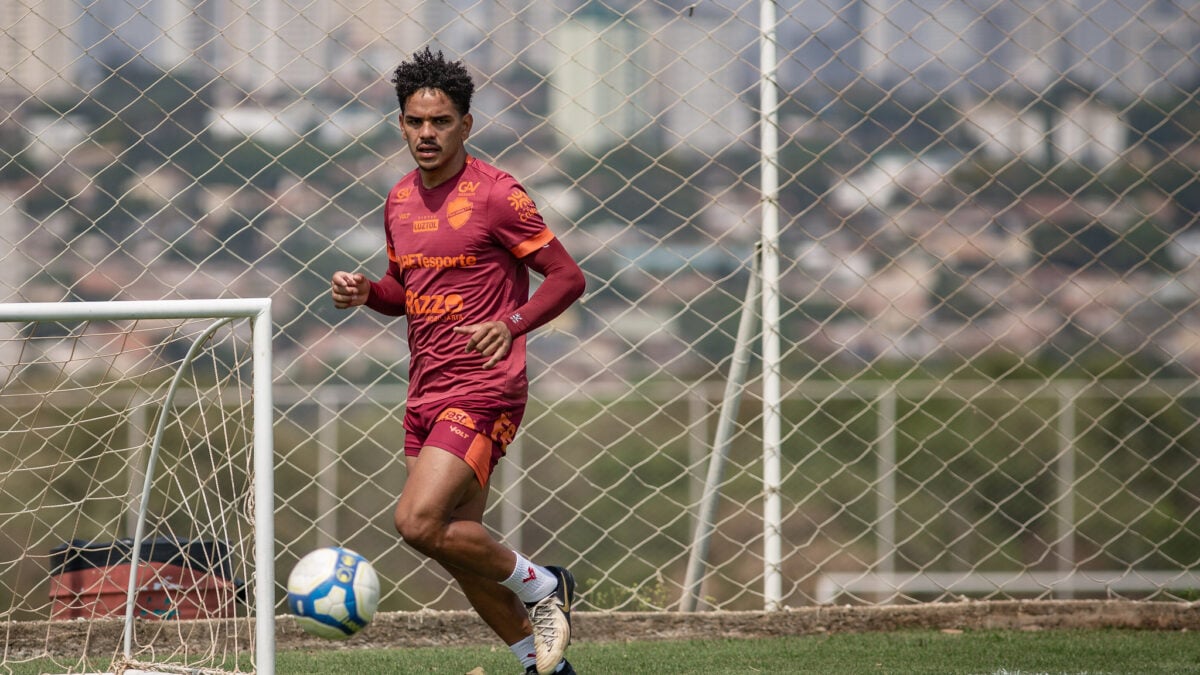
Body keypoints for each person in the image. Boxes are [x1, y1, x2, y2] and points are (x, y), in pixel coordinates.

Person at [330, 47, 585, 675]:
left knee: (416, 522)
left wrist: (511, 323)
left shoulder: (498, 194)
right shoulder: (397, 200)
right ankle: (542, 667)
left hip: (484, 386)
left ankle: (542, 583)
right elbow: (404, 293)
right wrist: (369, 293)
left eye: (440, 122)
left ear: (465, 125)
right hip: (425, 387)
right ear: (400, 124)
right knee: (456, 547)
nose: (426, 134)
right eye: (415, 122)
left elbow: (565, 278)